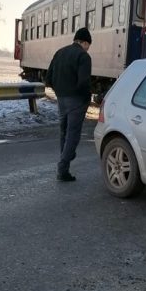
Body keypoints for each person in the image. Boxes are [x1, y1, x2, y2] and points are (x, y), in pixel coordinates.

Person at [46, 27, 92, 182]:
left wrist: (59, 91)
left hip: (61, 98)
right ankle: (63, 166)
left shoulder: (60, 52)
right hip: (77, 100)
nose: (88, 48)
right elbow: (84, 82)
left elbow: (48, 78)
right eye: (88, 45)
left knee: (64, 132)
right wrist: (86, 98)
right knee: (73, 134)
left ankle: (64, 163)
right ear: (84, 42)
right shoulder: (83, 56)